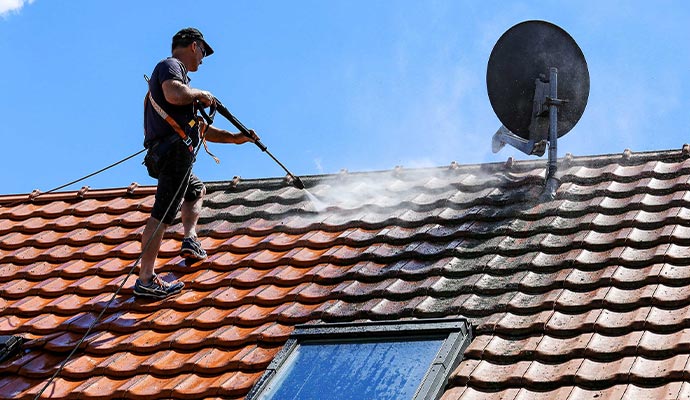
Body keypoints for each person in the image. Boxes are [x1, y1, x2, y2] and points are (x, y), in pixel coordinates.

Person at [134, 27, 258, 299]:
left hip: (169, 154)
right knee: (162, 214)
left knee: (195, 189)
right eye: (203, 51)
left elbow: (203, 130)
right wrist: (201, 93)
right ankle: (146, 279)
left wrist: (239, 138)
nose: (202, 58)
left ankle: (190, 238)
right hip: (174, 154)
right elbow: (173, 94)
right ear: (193, 45)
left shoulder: (184, 88)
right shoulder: (170, 67)